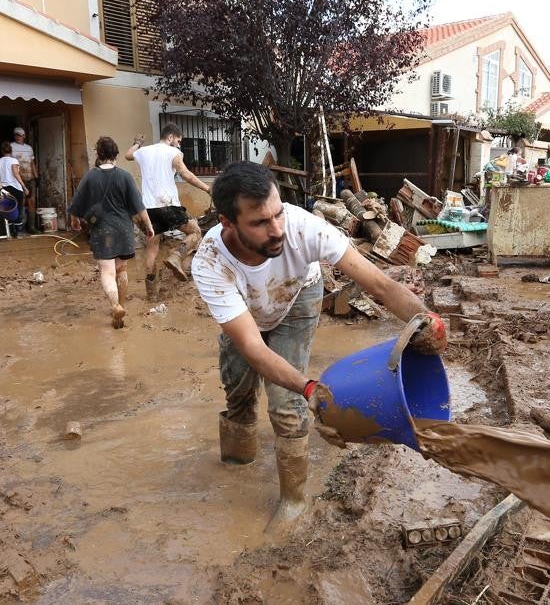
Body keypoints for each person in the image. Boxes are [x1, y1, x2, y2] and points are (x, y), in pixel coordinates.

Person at [191, 161, 447, 532]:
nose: (277, 229)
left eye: (278, 214)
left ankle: (293, 500)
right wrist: (308, 384)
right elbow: (252, 346)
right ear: (227, 222)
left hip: (297, 296)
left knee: (287, 405)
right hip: (245, 313)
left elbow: (380, 285)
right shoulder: (211, 261)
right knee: (238, 390)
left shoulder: (305, 229)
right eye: (260, 223)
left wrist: (427, 320)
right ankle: (237, 463)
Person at [68, 136, 155, 329]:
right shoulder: (125, 176)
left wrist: (74, 220)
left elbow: (76, 204)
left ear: (99, 154)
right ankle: (121, 306)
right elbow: (139, 206)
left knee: (107, 273)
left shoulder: (90, 176)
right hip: (124, 228)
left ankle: (115, 306)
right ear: (115, 153)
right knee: (121, 270)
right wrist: (148, 225)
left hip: (102, 231)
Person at [124, 125, 211, 300]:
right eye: (178, 141)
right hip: (168, 206)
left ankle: (151, 296)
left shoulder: (144, 151)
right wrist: (207, 188)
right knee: (195, 232)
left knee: (152, 248)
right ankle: (176, 256)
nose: (179, 145)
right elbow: (185, 174)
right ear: (170, 137)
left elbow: (127, 155)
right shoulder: (173, 153)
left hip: (147, 210)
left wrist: (137, 143)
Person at [0, 141, 28, 237]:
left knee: (8, 210)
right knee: (18, 209)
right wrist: (24, 186)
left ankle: (10, 232)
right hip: (15, 188)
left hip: (5, 189)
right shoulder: (14, 161)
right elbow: (15, 173)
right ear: (11, 150)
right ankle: (18, 232)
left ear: (2, 151)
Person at [10, 127, 39, 234]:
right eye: (16, 135)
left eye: (20, 135)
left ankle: (31, 227)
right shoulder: (11, 146)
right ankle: (19, 228)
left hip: (30, 178)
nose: (18, 137)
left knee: (31, 202)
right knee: (20, 202)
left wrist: (36, 176)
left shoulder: (29, 148)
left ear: (24, 136)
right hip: (18, 179)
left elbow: (32, 163)